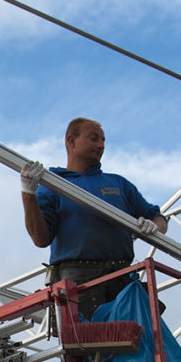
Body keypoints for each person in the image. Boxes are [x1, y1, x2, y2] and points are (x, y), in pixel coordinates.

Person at [20, 117, 168, 318]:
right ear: (71, 141)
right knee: (89, 344)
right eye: (94, 138)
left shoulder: (118, 185)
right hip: (79, 280)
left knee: (133, 341)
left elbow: (159, 219)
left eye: (103, 141)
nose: (101, 146)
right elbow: (41, 239)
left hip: (121, 276)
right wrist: (28, 194)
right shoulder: (53, 186)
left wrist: (154, 226)